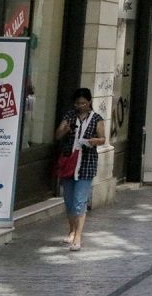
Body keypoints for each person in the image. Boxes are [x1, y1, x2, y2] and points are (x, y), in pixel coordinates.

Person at [55, 88, 105, 251]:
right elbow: (57, 135)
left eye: (83, 103)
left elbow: (103, 139)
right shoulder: (70, 116)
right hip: (69, 162)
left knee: (79, 202)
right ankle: (71, 230)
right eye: (77, 103)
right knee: (69, 201)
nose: (80, 106)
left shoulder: (96, 118)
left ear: (89, 102)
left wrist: (93, 141)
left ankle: (78, 236)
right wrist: (65, 130)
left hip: (86, 164)